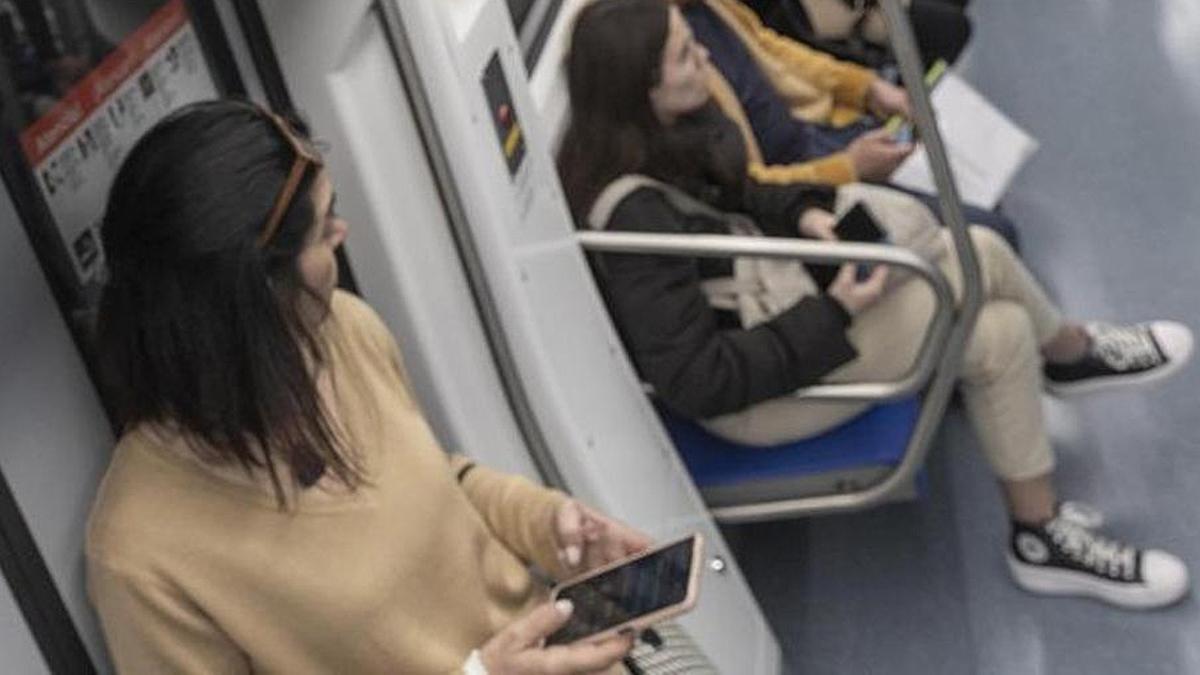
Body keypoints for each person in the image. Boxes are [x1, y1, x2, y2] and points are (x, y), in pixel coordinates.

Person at [559, 0, 1194, 609]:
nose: (703, 55)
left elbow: (751, 193)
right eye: (684, 54)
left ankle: (1040, 531)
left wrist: (806, 214)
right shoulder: (633, 215)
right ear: (641, 88)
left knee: (995, 320)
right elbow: (701, 380)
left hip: (783, 316)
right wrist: (835, 310)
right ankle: (1069, 362)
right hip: (756, 399)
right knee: (982, 269)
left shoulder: (681, 129)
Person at [87, 99, 646, 673]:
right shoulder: (141, 552)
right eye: (323, 228)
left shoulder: (345, 332)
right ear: (254, 298)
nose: (342, 232)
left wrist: (549, 523)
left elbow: (440, 480)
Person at [671, 0, 1022, 248]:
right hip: (805, 182)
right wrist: (850, 168)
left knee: (980, 195)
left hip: (820, 132)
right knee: (995, 230)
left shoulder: (710, 8)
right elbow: (748, 186)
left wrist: (867, 88)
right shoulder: (677, 70)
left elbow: (772, 49)